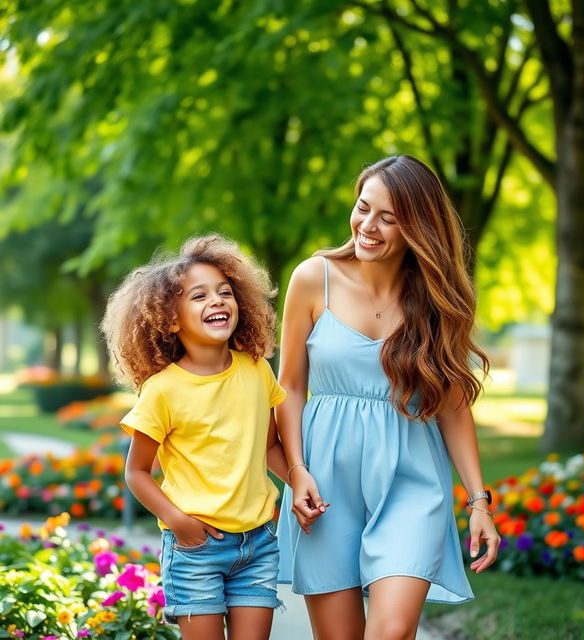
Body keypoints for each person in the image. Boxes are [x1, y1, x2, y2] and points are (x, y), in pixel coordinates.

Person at [276, 155, 501, 640]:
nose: (368, 227)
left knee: (392, 631)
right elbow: (289, 385)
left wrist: (478, 501)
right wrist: (296, 471)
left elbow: (454, 405)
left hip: (411, 479)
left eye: (389, 218)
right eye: (363, 208)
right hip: (325, 482)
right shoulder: (313, 278)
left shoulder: (437, 298)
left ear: (418, 228)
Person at [101, 235, 288, 640]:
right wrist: (178, 522)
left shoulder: (257, 370)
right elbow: (136, 472)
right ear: (170, 318)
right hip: (195, 550)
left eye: (225, 292)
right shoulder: (163, 390)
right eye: (199, 296)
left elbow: (270, 446)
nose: (218, 301)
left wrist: (302, 483)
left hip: (258, 545)